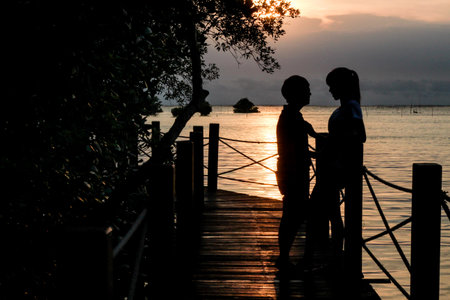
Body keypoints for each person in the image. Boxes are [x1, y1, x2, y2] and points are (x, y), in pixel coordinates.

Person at [309, 67, 366, 266]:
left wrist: (334, 148)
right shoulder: (346, 108)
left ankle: (324, 259)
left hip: (337, 171)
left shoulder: (351, 107)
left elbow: (359, 136)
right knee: (330, 214)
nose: (330, 90)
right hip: (332, 169)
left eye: (332, 86)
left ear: (342, 86)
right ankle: (331, 258)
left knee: (318, 213)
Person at [276, 75, 317, 271]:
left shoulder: (294, 117)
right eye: (306, 89)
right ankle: (285, 260)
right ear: (296, 93)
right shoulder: (292, 118)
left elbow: (294, 147)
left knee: (293, 216)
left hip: (292, 172)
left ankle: (285, 259)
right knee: (293, 216)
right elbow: (291, 150)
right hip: (293, 174)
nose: (310, 92)